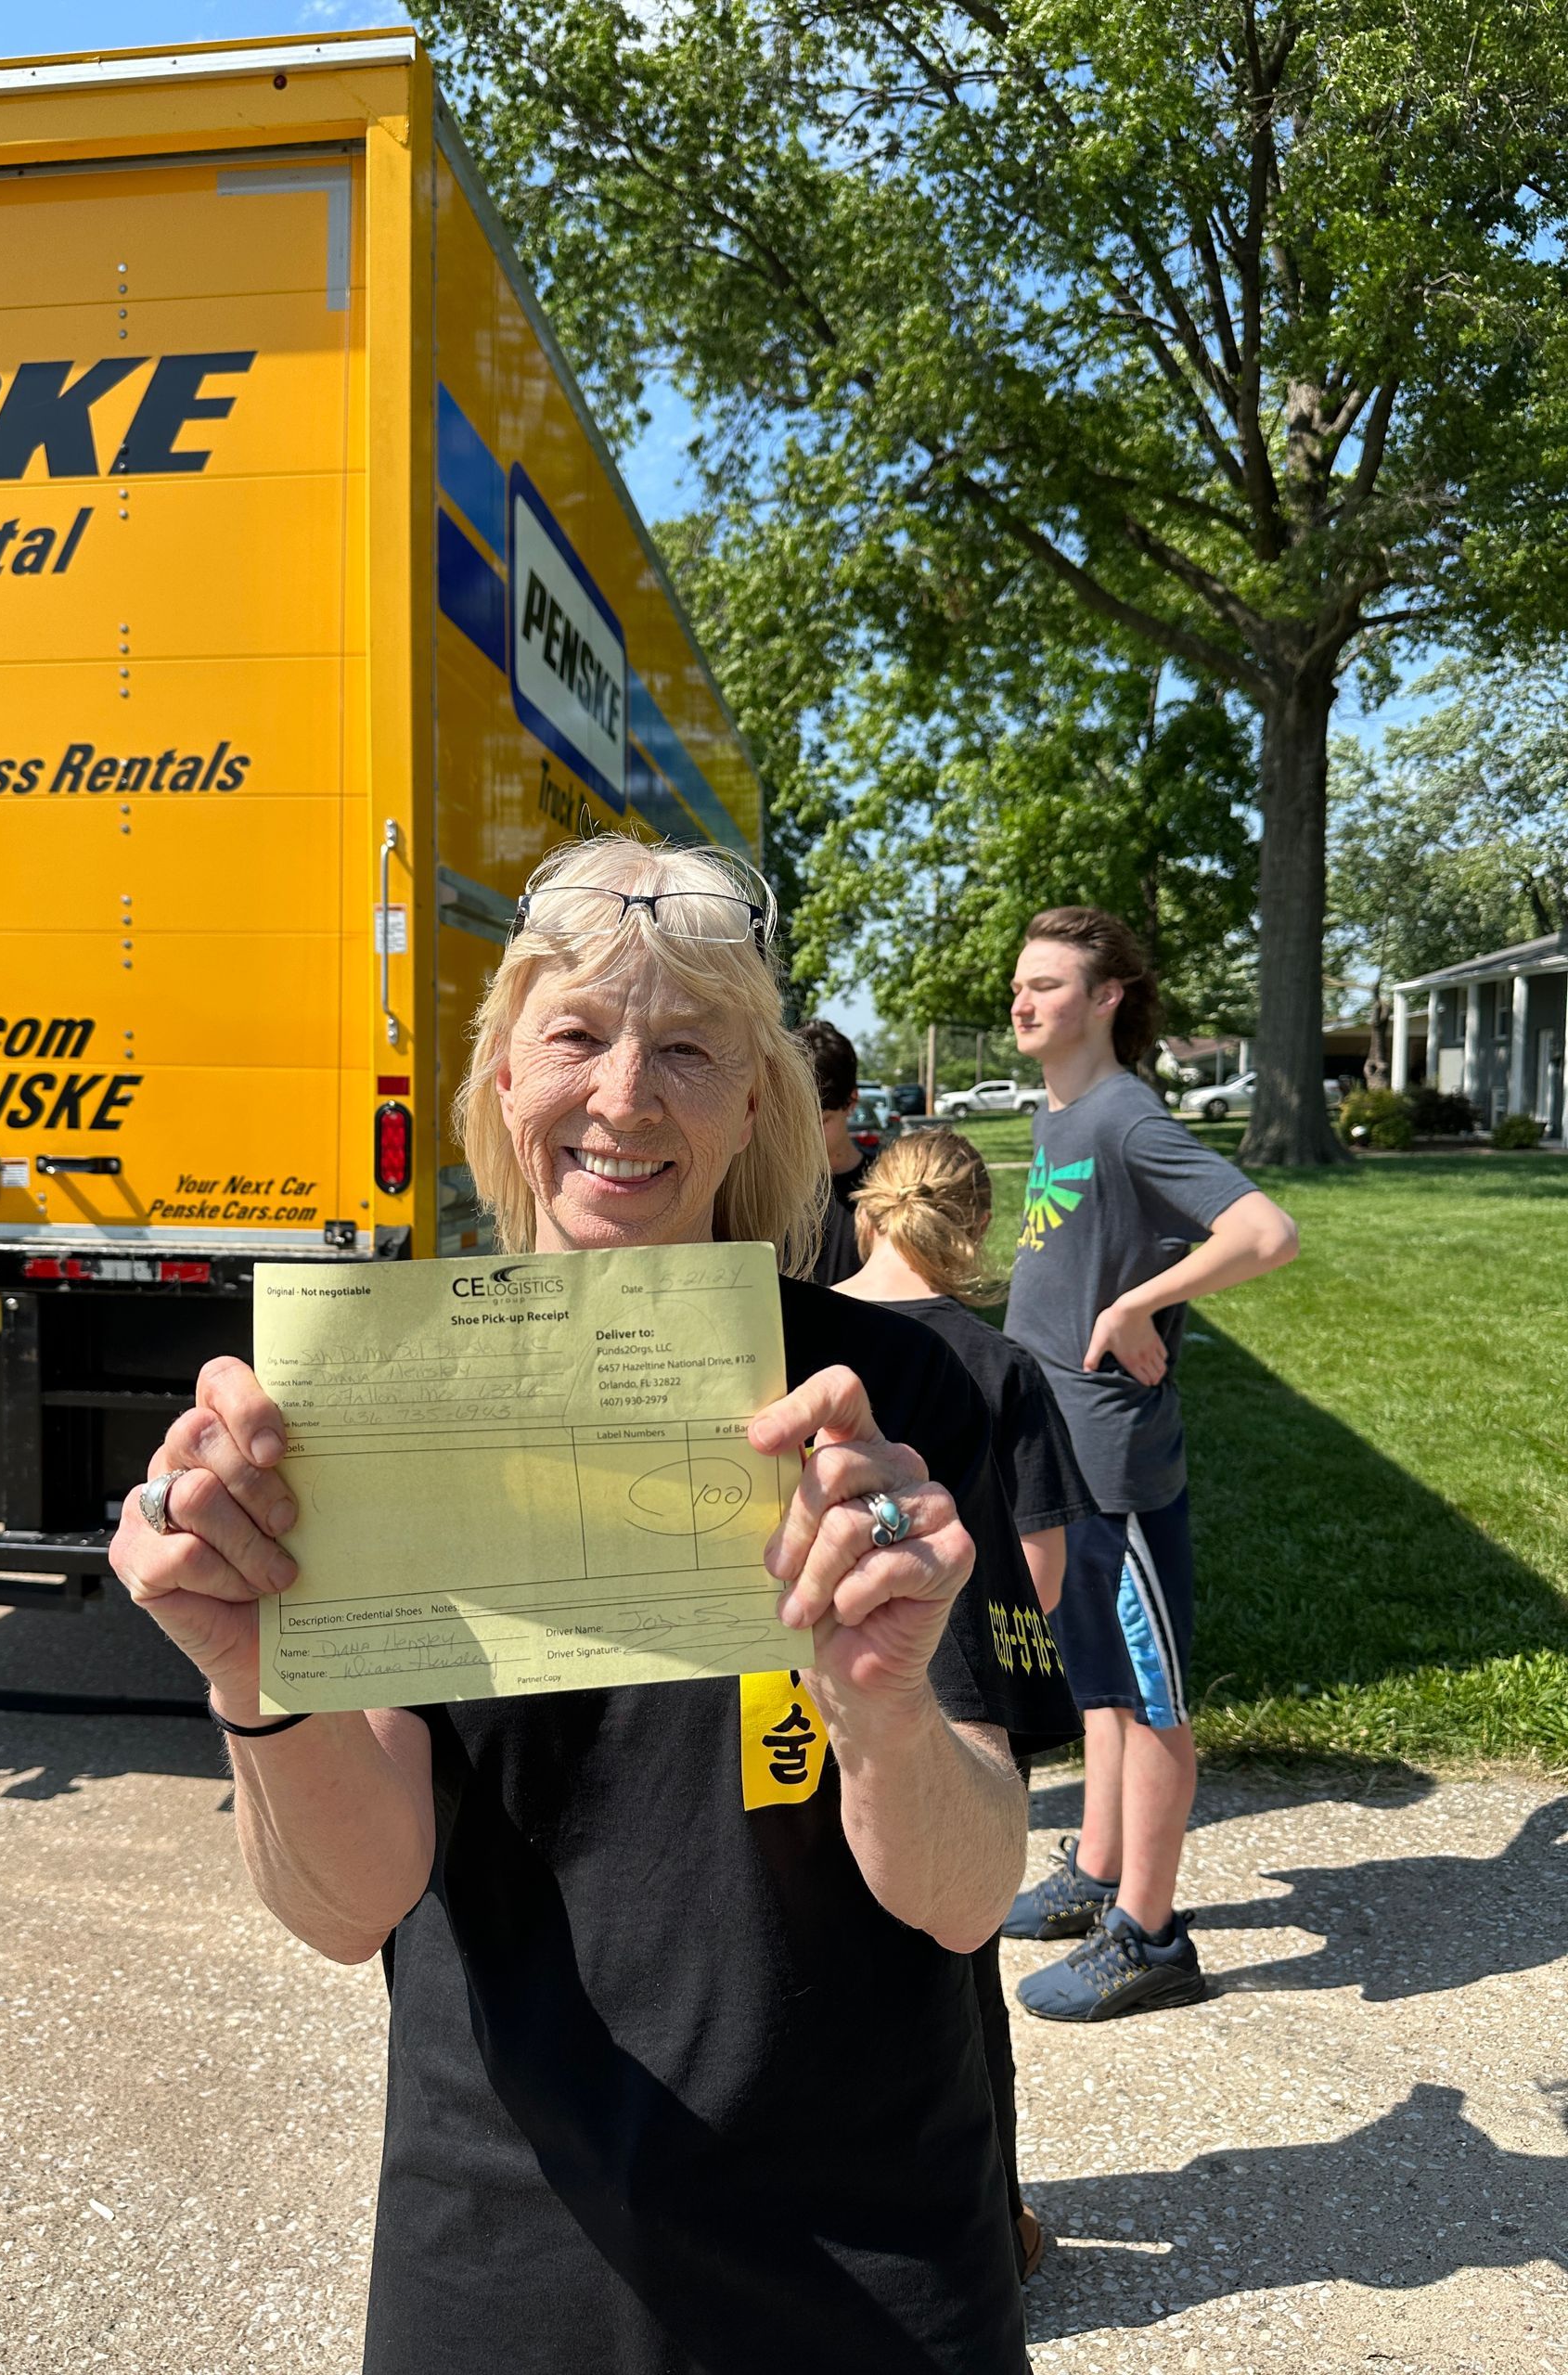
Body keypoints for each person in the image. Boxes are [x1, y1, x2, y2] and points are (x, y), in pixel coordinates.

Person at [109, 834, 1073, 2375]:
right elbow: (348, 1905)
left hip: (873, 2256)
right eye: (577, 1035)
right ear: (502, 1077)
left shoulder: (916, 1394)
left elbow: (966, 1894)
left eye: (687, 1049)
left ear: (756, 1101)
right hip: (506, 2253)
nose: (626, 1096)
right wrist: (249, 1670)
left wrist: (883, 1709)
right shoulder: (391, 1396)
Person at [1000, 908, 1300, 2022]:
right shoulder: (1060, 1112)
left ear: (1108, 996)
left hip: (1116, 1465)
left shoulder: (1126, 1119)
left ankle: (1154, 1932)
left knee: (1154, 1698)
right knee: (1099, 1688)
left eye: (1046, 985)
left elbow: (1266, 1233)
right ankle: (1099, 1874)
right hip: (1060, 1459)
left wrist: (1142, 1301)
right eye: (1019, 985)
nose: (1022, 1002)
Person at [835, 1124, 1092, 2280]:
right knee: (960, 1966)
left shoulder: (798, 1336)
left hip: (808, 1684)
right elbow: (1042, 1559)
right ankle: (992, 2223)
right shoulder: (999, 1365)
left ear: (866, 1211)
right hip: (963, 1686)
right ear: (975, 1228)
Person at [797, 1018, 871, 1286]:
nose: (807, 1135)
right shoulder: (772, 1187)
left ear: (851, 1102)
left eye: (821, 1121)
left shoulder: (885, 1185)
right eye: (798, 1120)